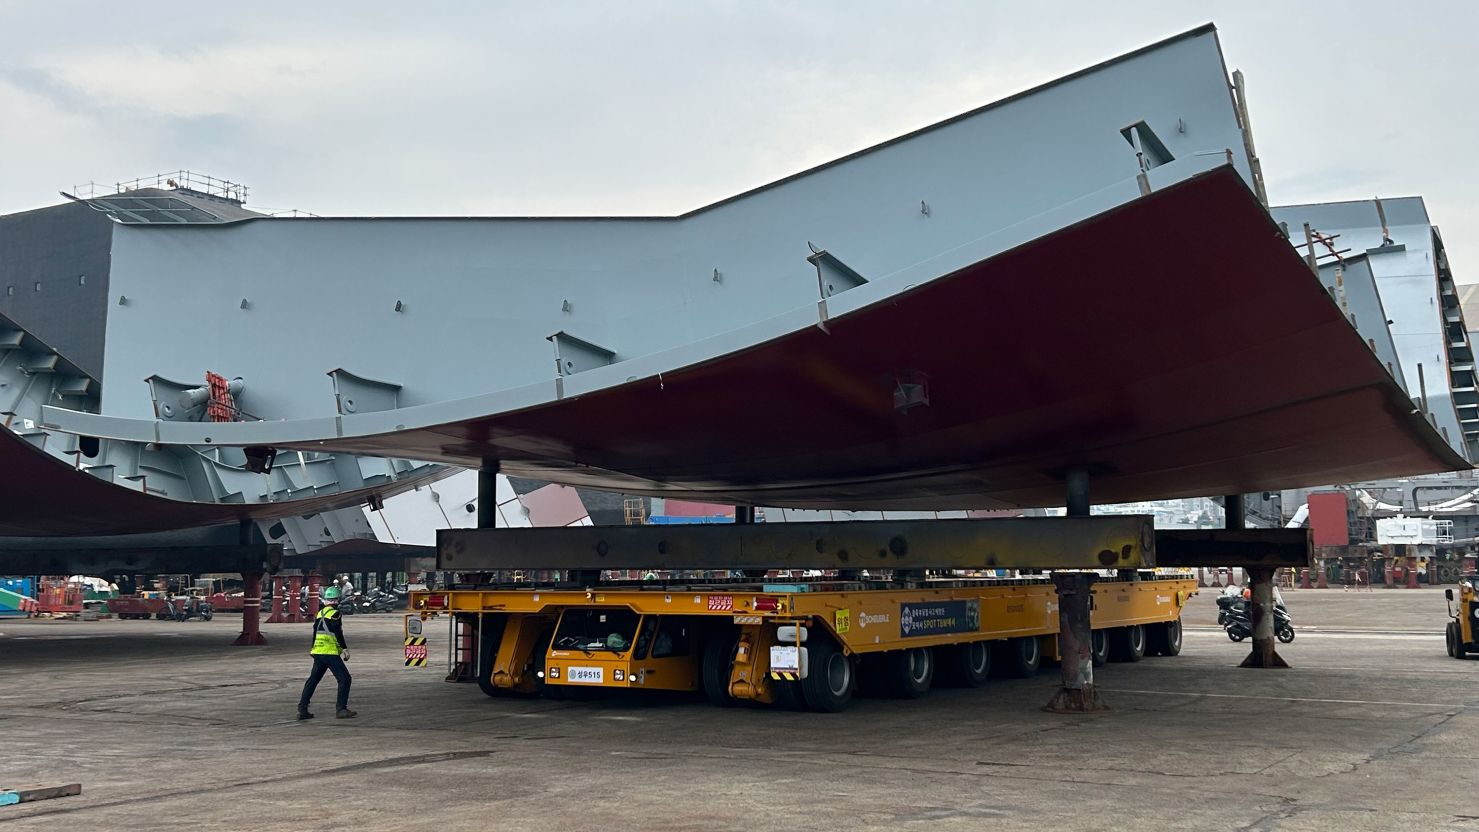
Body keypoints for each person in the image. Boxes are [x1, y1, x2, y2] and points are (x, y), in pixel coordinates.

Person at [297, 586, 356, 720]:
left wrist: (312, 648)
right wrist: (344, 649)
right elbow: (337, 633)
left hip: (318, 651)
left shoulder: (320, 613)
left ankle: (302, 709)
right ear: (337, 600)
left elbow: (315, 632)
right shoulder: (335, 614)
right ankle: (341, 709)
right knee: (345, 679)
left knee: (313, 680)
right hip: (329, 652)